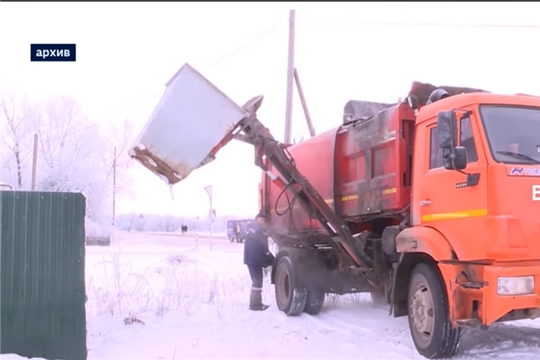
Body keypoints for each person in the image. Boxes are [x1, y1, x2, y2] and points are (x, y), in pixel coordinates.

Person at [243, 212, 275, 311]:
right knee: (257, 282)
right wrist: (272, 260)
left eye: (264, 220)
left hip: (253, 259)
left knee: (257, 282)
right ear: (257, 220)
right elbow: (264, 249)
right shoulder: (257, 232)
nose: (262, 222)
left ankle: (256, 304)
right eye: (261, 220)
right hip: (254, 260)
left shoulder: (255, 230)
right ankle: (254, 305)